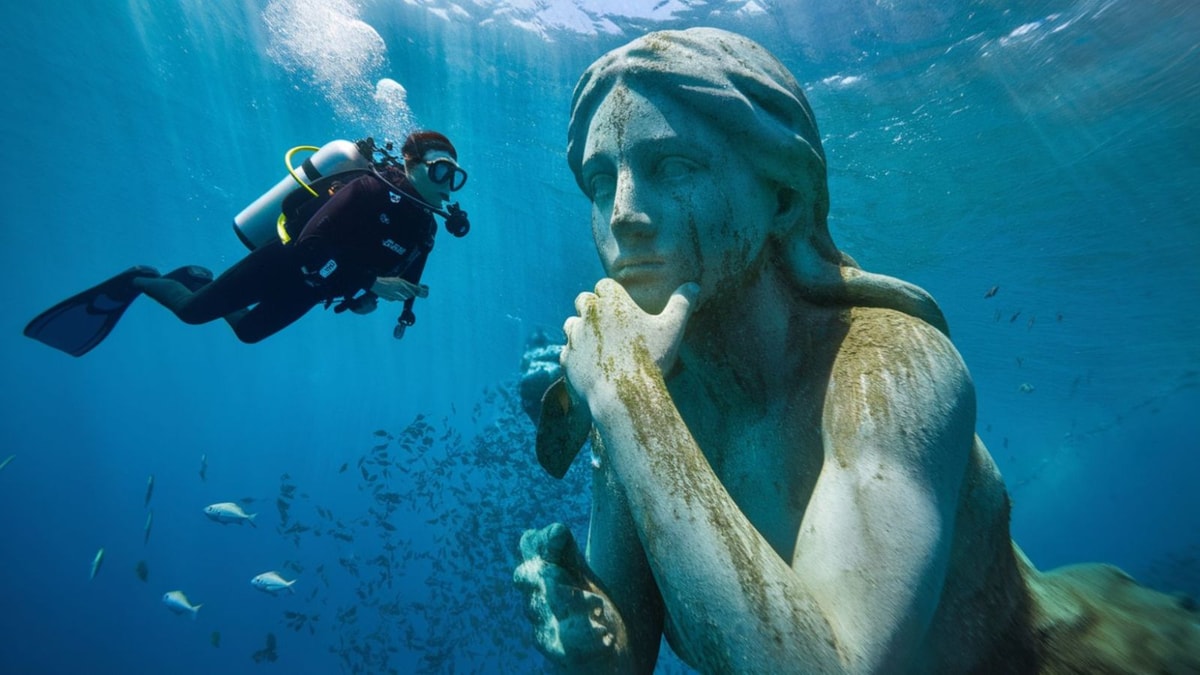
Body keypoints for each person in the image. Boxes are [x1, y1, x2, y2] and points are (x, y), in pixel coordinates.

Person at [513, 28, 1199, 673]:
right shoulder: (650, 382)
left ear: (782, 196)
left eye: (674, 166)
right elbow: (634, 642)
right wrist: (592, 640)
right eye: (601, 181)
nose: (625, 211)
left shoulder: (891, 368)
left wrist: (627, 397)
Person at [24, 131, 469, 356]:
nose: (448, 183)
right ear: (411, 165)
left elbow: (399, 281)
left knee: (250, 333)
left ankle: (198, 279)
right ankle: (142, 278)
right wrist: (372, 284)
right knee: (193, 313)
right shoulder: (370, 190)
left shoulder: (426, 230)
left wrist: (371, 298)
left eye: (455, 175)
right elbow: (311, 244)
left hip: (315, 291)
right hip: (283, 264)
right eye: (440, 169)